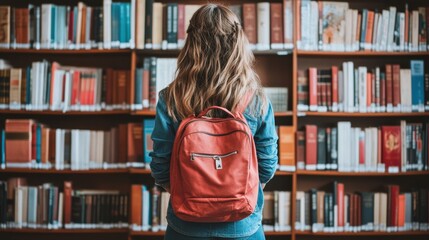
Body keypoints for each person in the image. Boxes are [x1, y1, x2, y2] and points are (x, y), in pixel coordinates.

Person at [150, 4, 278, 240]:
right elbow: (267, 164)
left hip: (185, 225)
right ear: (238, 43)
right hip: (243, 226)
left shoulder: (171, 98)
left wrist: (190, 192)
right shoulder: (256, 99)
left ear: (191, 44)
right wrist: (238, 193)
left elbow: (160, 165)